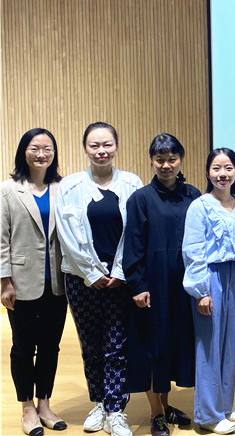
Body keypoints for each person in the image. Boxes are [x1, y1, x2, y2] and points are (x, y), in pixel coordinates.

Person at [56, 122, 142, 436]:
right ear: (85, 148)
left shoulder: (131, 183)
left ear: (116, 146)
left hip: (121, 279)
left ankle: (116, 409)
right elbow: (66, 236)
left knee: (117, 345)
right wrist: (92, 273)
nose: (101, 151)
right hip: (81, 279)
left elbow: (135, 232)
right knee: (90, 343)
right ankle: (99, 402)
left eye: (107, 144)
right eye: (94, 145)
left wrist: (118, 272)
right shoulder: (70, 185)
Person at [122, 134, 200, 436]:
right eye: (159, 159)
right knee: (153, 346)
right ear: (151, 161)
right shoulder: (140, 198)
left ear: (180, 159)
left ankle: (166, 406)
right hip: (152, 285)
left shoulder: (193, 195)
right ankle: (156, 412)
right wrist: (138, 285)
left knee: (173, 345)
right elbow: (133, 246)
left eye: (171, 159)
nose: (166, 165)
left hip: (184, 284)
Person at [1, 129, 67, 436]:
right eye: (34, 148)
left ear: (54, 153)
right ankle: (27, 407)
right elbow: (1, 240)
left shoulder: (62, 189)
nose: (41, 154)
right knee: (23, 347)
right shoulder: (7, 190)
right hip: (21, 281)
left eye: (47, 149)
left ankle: (44, 404)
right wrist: (4, 281)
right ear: (23, 152)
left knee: (51, 346)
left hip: (58, 282)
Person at [182, 148, 235, 435]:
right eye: (217, 168)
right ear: (208, 172)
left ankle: (224, 406)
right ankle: (208, 415)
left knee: (230, 344)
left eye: (228, 168)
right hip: (211, 277)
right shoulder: (200, 206)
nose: (223, 174)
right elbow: (193, 250)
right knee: (209, 346)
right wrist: (201, 291)